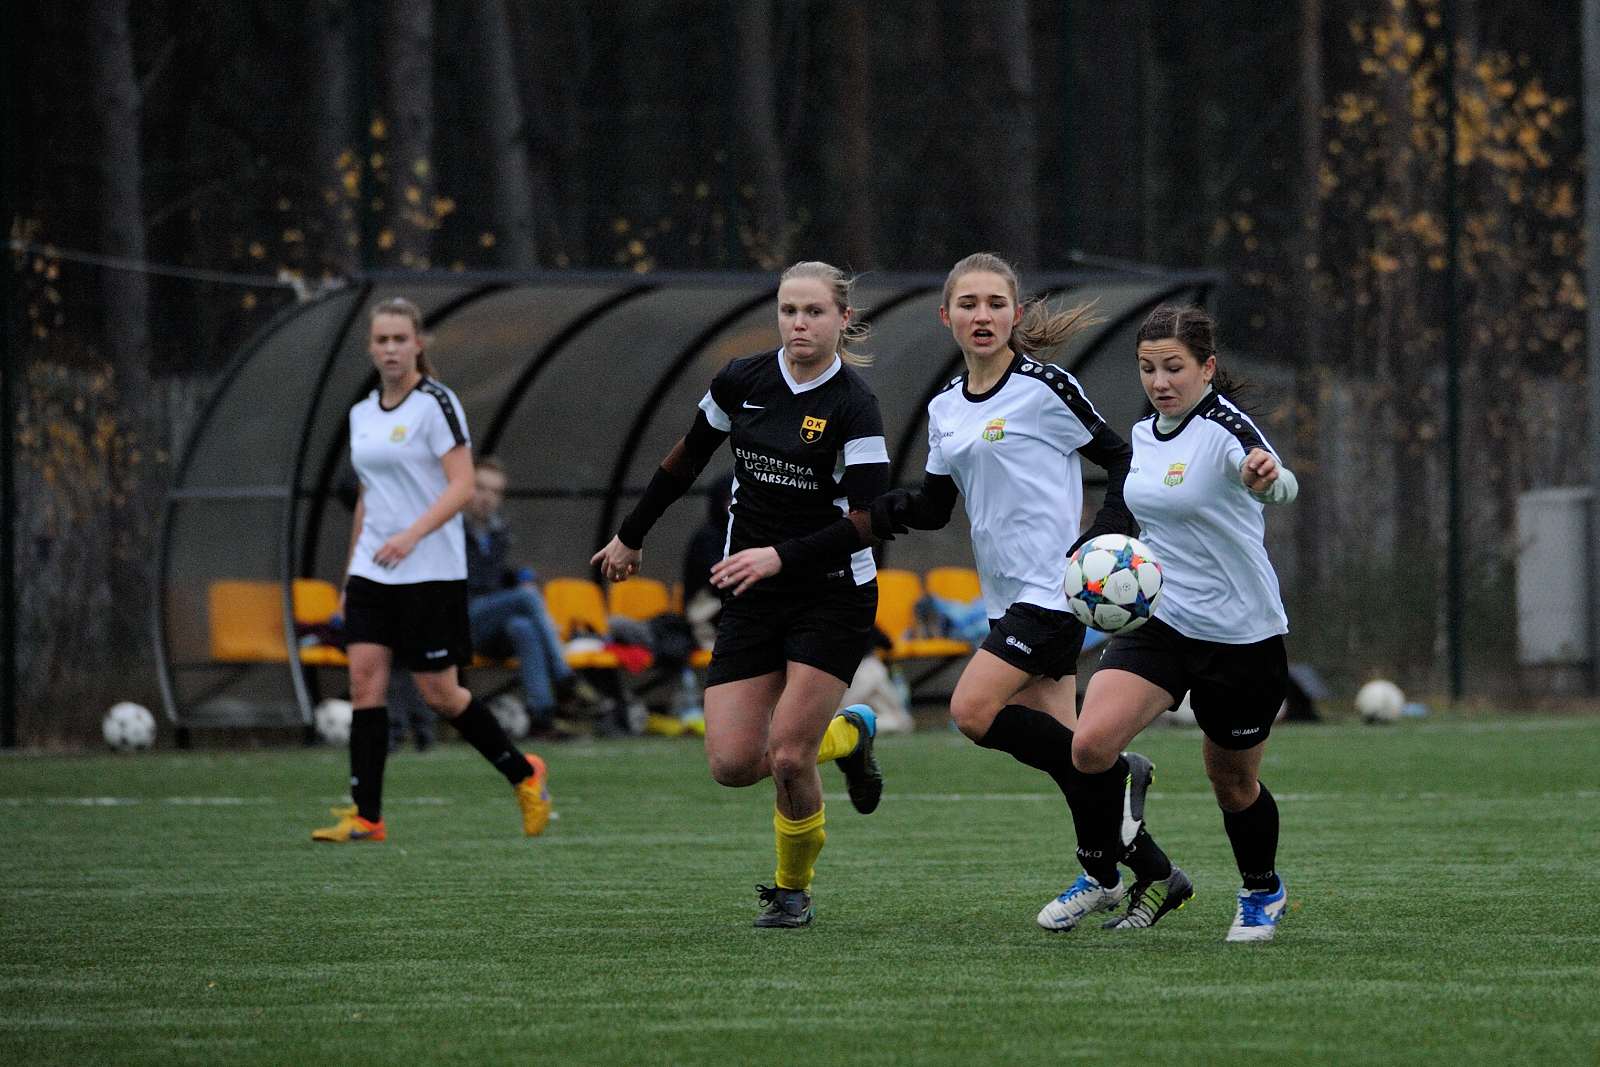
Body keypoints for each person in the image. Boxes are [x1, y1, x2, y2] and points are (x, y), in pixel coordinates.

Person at [872, 253, 1188, 932]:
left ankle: (1118, 786)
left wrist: (1105, 533)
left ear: (1015, 313)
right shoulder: (945, 407)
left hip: (1054, 590)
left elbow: (1122, 456)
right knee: (1074, 756)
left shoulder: (1045, 387)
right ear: (946, 316)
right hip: (1004, 597)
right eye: (968, 304)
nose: (982, 315)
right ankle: (1147, 872)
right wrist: (885, 507)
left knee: (970, 710)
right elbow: (935, 505)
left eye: (995, 303)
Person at [592, 261, 888, 928]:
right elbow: (686, 459)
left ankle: (791, 891)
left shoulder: (854, 404)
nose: (799, 323)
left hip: (832, 592)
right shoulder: (741, 380)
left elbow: (869, 519)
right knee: (731, 764)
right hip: (752, 591)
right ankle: (849, 735)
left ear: (843, 319)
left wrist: (781, 555)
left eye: (814, 311)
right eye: (788, 310)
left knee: (787, 755)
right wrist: (630, 536)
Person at [1068, 303, 1298, 942]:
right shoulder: (1144, 432)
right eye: (1148, 369)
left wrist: (1266, 476)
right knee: (1090, 747)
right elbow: (1132, 513)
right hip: (1162, 623)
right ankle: (1130, 866)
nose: (1160, 381)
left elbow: (1281, 484)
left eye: (1174, 367)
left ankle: (1262, 890)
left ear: (1207, 367)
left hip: (1242, 634)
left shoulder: (1226, 429)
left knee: (1233, 784)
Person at [311, 297, 551, 843]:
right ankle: (367, 816)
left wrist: (412, 535)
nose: (391, 349)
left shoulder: (436, 404)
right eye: (382, 340)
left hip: (429, 571)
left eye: (400, 339)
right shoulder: (363, 413)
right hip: (374, 570)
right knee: (364, 683)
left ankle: (524, 772)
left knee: (440, 694)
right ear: (370, 347)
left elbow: (462, 485)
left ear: (418, 344)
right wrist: (350, 576)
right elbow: (370, 497)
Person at [464, 455, 596, 739]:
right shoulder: (449, 527)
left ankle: (542, 716)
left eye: (495, 492)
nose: (487, 498)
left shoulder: (498, 532)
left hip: (493, 625)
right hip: (462, 621)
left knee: (522, 627)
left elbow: (495, 577)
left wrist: (518, 576)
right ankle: (564, 678)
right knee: (527, 598)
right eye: (480, 488)